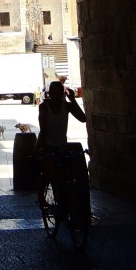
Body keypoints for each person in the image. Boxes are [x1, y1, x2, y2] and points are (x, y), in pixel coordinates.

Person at [36, 80, 87, 209]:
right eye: (55, 93)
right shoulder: (44, 107)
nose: (57, 97)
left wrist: (73, 100)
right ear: (50, 94)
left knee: (68, 172)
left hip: (62, 145)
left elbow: (83, 118)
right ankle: (40, 197)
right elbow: (43, 130)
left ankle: (66, 199)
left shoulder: (67, 106)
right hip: (48, 144)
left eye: (60, 94)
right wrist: (42, 148)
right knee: (48, 171)